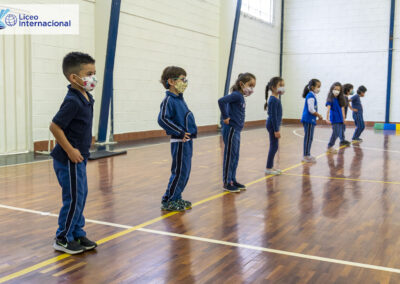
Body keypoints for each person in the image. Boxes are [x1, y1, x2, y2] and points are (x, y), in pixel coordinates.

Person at [50, 51, 98, 254]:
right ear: (74, 77)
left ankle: (77, 232)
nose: (93, 78)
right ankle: (62, 237)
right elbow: (55, 127)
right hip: (68, 159)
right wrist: (70, 150)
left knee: (81, 195)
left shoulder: (86, 96)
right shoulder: (72, 100)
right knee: (73, 198)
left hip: (80, 158)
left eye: (94, 73)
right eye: (89, 73)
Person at [158, 66, 197, 212]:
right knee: (179, 171)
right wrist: (179, 132)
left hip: (187, 142)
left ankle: (177, 196)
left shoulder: (180, 99)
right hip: (179, 142)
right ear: (171, 81)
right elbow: (162, 119)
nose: (185, 82)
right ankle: (169, 200)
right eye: (182, 79)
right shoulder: (169, 100)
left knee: (185, 171)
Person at [218, 73, 256, 193]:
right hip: (231, 130)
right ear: (241, 84)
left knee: (235, 155)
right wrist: (225, 117)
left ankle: (232, 179)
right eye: (250, 85)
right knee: (230, 155)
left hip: (237, 131)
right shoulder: (236, 95)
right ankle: (226, 182)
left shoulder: (240, 96)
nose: (251, 89)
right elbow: (221, 101)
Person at [301, 79, 324, 163]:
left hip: (310, 119)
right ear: (312, 87)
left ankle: (307, 154)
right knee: (308, 138)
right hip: (308, 119)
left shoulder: (312, 95)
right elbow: (311, 109)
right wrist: (318, 115)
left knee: (310, 137)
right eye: (318, 86)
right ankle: (306, 155)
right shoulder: (310, 95)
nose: (319, 88)